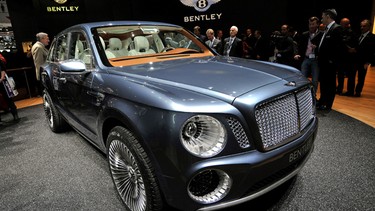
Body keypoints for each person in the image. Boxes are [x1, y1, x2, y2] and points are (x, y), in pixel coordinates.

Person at [316, 9, 345, 111]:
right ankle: (322, 101)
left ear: (328, 16)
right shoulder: (327, 28)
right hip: (323, 63)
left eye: (323, 16)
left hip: (329, 64)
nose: (321, 18)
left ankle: (328, 105)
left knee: (330, 84)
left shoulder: (337, 28)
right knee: (324, 83)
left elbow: (338, 48)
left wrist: (331, 61)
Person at [294, 16, 323, 99]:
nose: (311, 26)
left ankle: (313, 97)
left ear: (317, 24)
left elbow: (323, 48)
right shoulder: (305, 34)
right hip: (306, 58)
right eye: (310, 24)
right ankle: (303, 96)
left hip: (316, 60)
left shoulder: (321, 34)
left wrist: (316, 48)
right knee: (303, 78)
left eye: (313, 24)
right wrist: (297, 54)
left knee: (315, 80)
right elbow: (300, 46)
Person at [345, 19, 375, 97]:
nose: (362, 28)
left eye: (364, 26)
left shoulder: (372, 37)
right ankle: (350, 91)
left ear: (369, 26)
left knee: (361, 77)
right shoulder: (358, 35)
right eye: (361, 26)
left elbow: (372, 51)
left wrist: (368, 62)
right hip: (354, 59)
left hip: (363, 60)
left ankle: (358, 92)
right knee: (351, 75)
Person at [336, 18, 357, 95]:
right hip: (342, 56)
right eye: (341, 23)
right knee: (340, 74)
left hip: (349, 58)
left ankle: (350, 91)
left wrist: (349, 48)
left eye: (343, 23)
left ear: (347, 24)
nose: (341, 24)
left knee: (350, 75)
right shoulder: (341, 31)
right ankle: (339, 89)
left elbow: (352, 44)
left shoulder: (352, 33)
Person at [0, 54, 19, 123]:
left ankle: (15, 114)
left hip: (2, 81)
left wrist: (1, 78)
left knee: (8, 98)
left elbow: (3, 69)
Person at [31, 32, 50, 96]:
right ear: (42, 39)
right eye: (47, 39)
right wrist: (41, 77)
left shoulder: (40, 47)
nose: (48, 40)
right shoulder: (38, 47)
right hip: (44, 75)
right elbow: (39, 63)